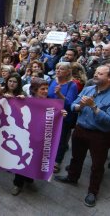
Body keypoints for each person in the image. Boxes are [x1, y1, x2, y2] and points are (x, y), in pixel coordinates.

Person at [55, 65, 110, 207]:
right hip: (80, 129)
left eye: (100, 73)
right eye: (96, 72)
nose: (96, 75)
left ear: (108, 78)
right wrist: (80, 106)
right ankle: (72, 177)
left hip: (99, 135)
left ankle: (92, 191)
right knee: (76, 157)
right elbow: (73, 106)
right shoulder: (89, 89)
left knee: (97, 164)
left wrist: (94, 107)